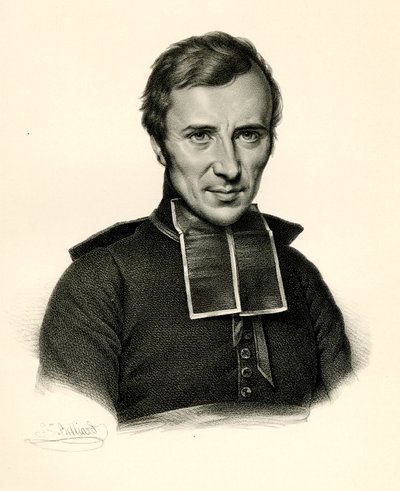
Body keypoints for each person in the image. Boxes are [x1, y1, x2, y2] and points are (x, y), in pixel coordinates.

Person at [37, 32, 352, 425]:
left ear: (270, 141)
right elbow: (71, 443)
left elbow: (349, 432)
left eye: (248, 135)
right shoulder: (100, 282)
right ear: (159, 145)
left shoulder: (300, 277)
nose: (230, 167)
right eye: (200, 136)